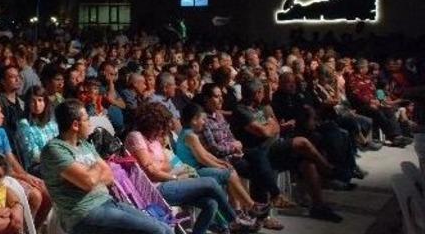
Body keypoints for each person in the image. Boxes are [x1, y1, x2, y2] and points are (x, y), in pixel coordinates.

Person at [41, 99, 171, 234]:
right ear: (75, 125)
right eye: (87, 120)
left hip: (107, 203)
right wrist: (96, 167)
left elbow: (109, 176)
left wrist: (90, 173)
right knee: (157, 231)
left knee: (165, 227)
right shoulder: (55, 149)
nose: (90, 124)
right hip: (84, 214)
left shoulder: (85, 144)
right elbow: (88, 182)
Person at [125, 102, 253, 234]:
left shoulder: (155, 141)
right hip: (155, 189)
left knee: (211, 203)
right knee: (211, 182)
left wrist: (160, 167)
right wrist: (174, 177)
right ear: (153, 123)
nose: (163, 131)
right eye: (162, 126)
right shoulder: (136, 137)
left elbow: (169, 164)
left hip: (169, 181)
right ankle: (234, 220)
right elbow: (151, 172)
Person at [231, 80, 343, 222]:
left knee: (307, 163)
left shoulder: (260, 107)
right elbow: (264, 132)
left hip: (274, 147)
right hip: (260, 151)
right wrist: (269, 126)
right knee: (301, 142)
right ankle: (327, 169)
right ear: (257, 92)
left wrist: (270, 127)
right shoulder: (241, 110)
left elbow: (275, 127)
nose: (266, 94)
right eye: (263, 91)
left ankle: (318, 207)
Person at [175, 103, 278, 230]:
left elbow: (206, 154)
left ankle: (248, 208)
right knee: (228, 173)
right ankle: (251, 207)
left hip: (198, 168)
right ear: (194, 120)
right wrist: (220, 166)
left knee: (229, 170)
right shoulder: (190, 136)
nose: (204, 122)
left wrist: (220, 163)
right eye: (202, 119)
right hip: (194, 172)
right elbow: (202, 158)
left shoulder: (190, 133)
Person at [0, 99, 50, 226]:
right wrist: (21, 177)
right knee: (36, 196)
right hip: (1, 176)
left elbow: (10, 156)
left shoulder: (1, 131)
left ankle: (35, 227)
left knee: (46, 190)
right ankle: (25, 227)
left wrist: (25, 175)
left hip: (11, 172)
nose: (3, 115)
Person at [17, 86, 59, 172]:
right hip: (37, 167)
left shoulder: (52, 123)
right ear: (28, 103)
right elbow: (33, 155)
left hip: (57, 161)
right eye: (33, 101)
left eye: (40, 100)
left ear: (45, 102)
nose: (37, 105)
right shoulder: (24, 124)